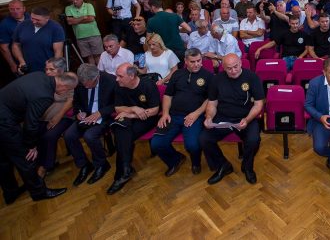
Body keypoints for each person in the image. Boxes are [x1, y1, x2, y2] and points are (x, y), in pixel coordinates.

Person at [0, 71, 77, 204]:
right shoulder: (45, 95)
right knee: (26, 158)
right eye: (68, 90)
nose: (66, 92)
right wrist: (31, 146)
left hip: (3, 112)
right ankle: (39, 193)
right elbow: (31, 123)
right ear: (64, 87)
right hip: (4, 122)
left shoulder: (40, 75)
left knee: (3, 159)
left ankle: (10, 193)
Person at [200, 54, 264, 185]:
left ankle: (247, 167)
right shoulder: (217, 79)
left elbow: (258, 104)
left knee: (254, 140)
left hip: (245, 116)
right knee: (204, 139)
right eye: (229, 68)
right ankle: (223, 165)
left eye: (235, 66)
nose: (233, 71)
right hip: (223, 116)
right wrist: (209, 117)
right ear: (223, 67)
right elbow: (212, 103)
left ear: (240, 63)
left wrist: (247, 119)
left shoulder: (252, 77)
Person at [151, 48, 211, 177]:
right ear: (186, 61)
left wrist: (196, 113)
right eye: (192, 61)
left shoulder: (208, 76)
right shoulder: (177, 74)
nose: (196, 64)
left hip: (194, 117)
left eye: (199, 60)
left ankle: (196, 163)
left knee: (192, 145)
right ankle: (175, 160)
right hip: (173, 116)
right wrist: (165, 113)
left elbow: (210, 99)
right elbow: (168, 95)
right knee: (156, 143)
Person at [107, 63, 160, 195]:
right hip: (130, 117)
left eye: (120, 76)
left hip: (148, 118)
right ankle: (125, 170)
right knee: (121, 131)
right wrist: (133, 109)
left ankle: (122, 174)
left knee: (122, 136)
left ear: (131, 76)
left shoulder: (148, 85)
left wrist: (131, 114)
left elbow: (154, 110)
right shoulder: (119, 86)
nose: (117, 79)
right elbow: (118, 108)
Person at [65, 64, 116, 186]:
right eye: (84, 84)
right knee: (69, 135)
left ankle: (102, 164)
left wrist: (100, 113)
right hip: (86, 116)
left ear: (97, 77)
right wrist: (79, 112)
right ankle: (84, 165)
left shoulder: (110, 81)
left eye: (89, 84)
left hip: (104, 116)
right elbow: (76, 102)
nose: (86, 87)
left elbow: (117, 103)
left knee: (89, 136)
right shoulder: (81, 82)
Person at [36, 58, 75, 178]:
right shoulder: (44, 81)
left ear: (60, 70)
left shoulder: (68, 80)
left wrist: (58, 117)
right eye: (46, 69)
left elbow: (70, 101)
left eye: (51, 69)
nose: (47, 72)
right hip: (44, 117)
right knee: (35, 134)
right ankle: (39, 163)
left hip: (64, 116)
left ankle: (45, 167)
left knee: (49, 136)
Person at [12, 6, 64, 74]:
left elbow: (58, 52)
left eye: (37, 20)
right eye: (32, 18)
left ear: (47, 18)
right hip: (27, 68)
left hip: (46, 69)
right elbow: (15, 45)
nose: (34, 21)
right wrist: (21, 62)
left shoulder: (56, 28)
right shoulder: (22, 25)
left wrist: (53, 69)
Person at [65, 0, 103, 65]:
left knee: (97, 56)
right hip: (80, 37)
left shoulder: (89, 5)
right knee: (89, 57)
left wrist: (76, 20)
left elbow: (91, 19)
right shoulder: (68, 8)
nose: (74, 1)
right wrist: (83, 17)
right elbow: (70, 22)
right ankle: (93, 72)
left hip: (93, 34)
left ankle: (101, 72)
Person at [0, 0, 29, 76]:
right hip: (19, 61)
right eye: (12, 9)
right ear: (9, 10)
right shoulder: (4, 25)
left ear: (24, 9)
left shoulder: (30, 17)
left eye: (18, 8)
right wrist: (12, 65)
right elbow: (3, 48)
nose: (15, 11)